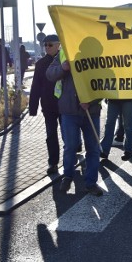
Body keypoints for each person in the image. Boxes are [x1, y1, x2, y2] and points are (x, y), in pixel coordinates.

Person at [46, 42, 103, 196]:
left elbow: (105, 84)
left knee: (93, 149)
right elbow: (50, 74)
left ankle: (91, 183)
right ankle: (68, 176)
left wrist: (90, 101)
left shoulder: (98, 59)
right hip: (69, 110)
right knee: (70, 146)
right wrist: (63, 68)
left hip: (91, 112)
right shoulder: (66, 53)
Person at [28, 35, 61, 174]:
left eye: (50, 44)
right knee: (51, 135)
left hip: (65, 105)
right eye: (45, 45)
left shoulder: (65, 60)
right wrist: (33, 107)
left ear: (58, 45)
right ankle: (53, 163)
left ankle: (75, 148)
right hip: (48, 106)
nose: (47, 47)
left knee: (68, 135)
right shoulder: (40, 64)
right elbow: (36, 86)